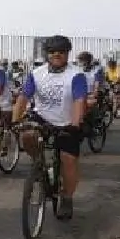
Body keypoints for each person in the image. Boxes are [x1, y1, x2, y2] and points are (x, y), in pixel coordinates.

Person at [12, 35, 86, 219]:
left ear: (67, 54)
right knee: (28, 135)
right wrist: (15, 121)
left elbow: (79, 101)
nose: (57, 55)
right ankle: (39, 164)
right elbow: (23, 98)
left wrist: (75, 125)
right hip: (42, 117)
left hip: (67, 122)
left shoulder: (76, 75)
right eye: (53, 52)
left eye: (61, 52)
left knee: (68, 159)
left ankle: (67, 198)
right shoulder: (37, 74)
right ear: (47, 54)